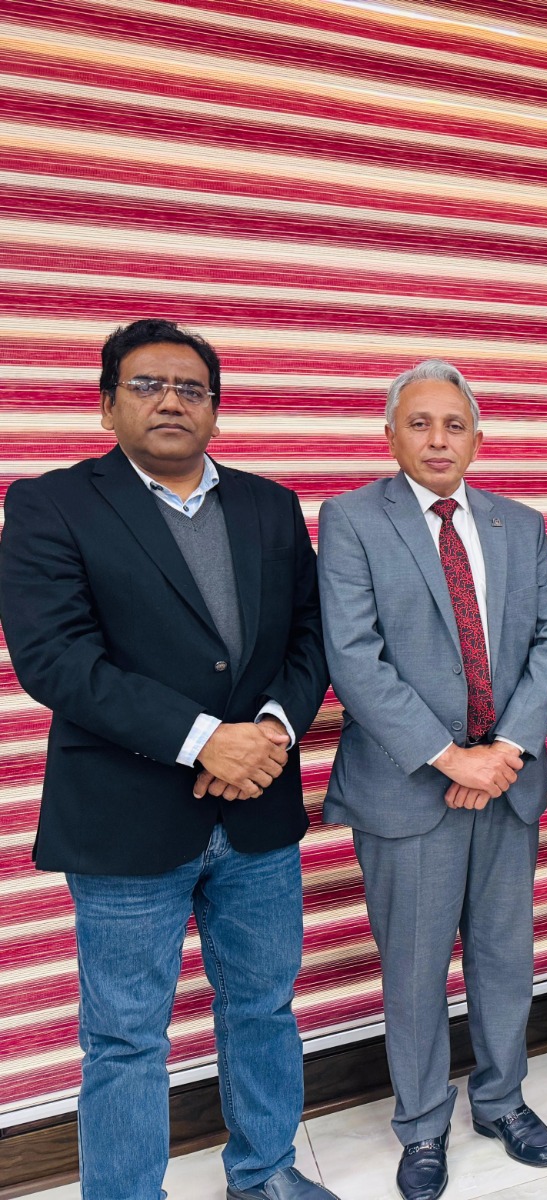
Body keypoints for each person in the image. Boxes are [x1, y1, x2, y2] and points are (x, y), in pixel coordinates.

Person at [0, 320, 335, 1200]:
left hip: (258, 814)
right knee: (125, 1039)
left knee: (262, 1007)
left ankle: (263, 1173)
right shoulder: (50, 505)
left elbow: (311, 635)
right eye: (147, 385)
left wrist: (270, 731)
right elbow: (55, 659)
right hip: (125, 822)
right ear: (107, 404)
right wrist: (203, 738)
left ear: (216, 410)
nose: (172, 401)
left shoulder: (269, 505)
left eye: (192, 389)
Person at [317, 360, 547, 1200]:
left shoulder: (518, 524)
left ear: (477, 439)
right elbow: (354, 657)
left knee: (504, 956)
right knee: (416, 968)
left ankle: (502, 1100)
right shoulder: (352, 519)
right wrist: (451, 757)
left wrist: (506, 751)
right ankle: (423, 1124)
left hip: (508, 781)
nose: (438, 439)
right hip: (408, 789)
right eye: (420, 423)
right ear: (390, 435)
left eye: (454, 425)